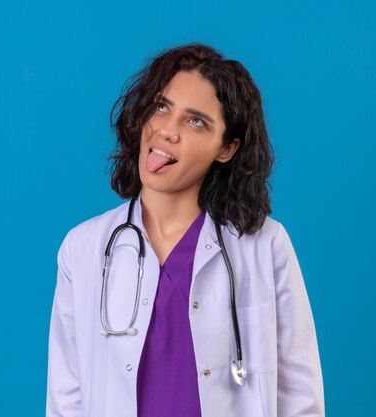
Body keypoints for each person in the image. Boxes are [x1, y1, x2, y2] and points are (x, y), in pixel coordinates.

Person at [46, 43, 324, 417]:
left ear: (226, 148)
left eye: (196, 121)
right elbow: (66, 399)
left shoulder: (265, 245)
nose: (166, 131)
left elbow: (300, 397)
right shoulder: (84, 249)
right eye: (161, 107)